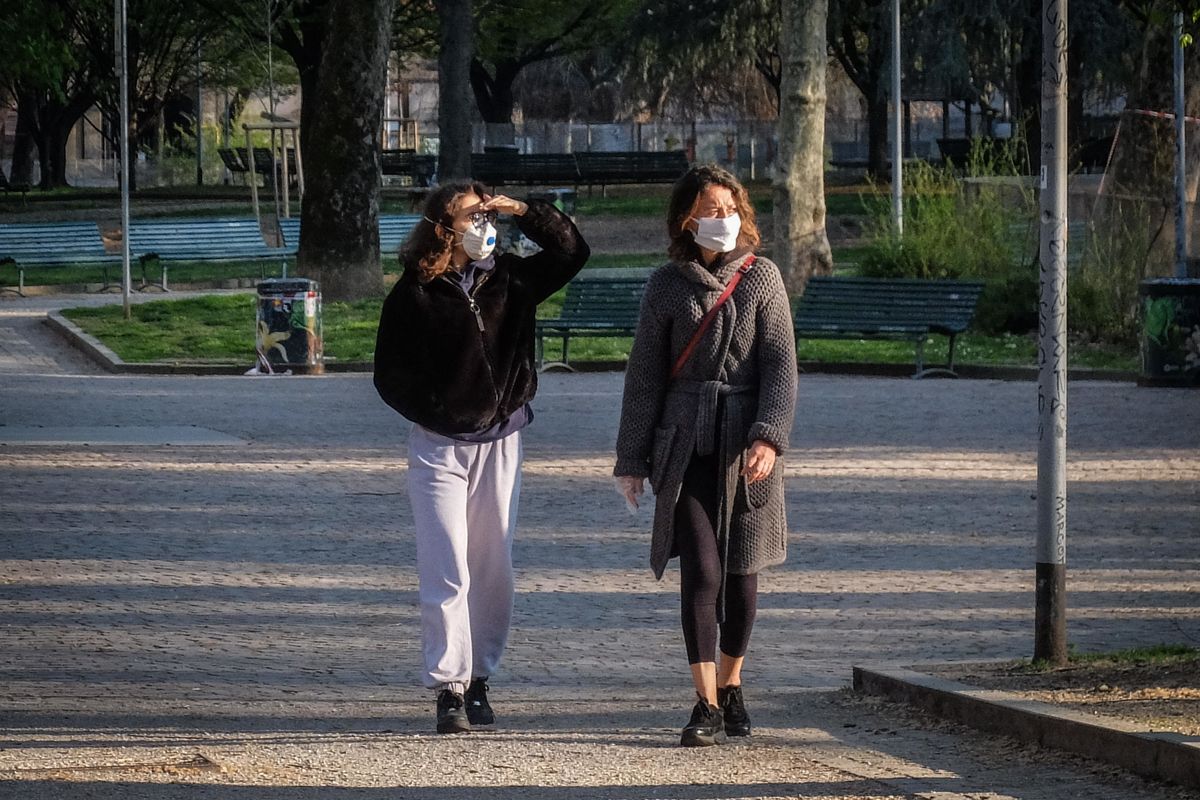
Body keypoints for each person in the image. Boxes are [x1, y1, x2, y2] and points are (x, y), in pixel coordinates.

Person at [374, 180, 589, 734]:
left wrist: (524, 209)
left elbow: (572, 252)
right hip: (439, 446)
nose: (483, 225)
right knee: (446, 565)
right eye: (472, 216)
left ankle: (481, 678)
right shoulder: (416, 292)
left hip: (501, 442)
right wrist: (442, 410)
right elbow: (389, 374)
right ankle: (449, 684)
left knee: (491, 567)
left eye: (488, 214)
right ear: (443, 228)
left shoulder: (512, 279)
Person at [613, 164, 797, 747]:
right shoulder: (666, 285)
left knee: (742, 576)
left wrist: (768, 436)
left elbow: (780, 366)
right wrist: (632, 459)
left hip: (746, 446)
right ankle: (705, 702)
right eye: (710, 209)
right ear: (686, 220)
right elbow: (644, 377)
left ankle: (733, 681)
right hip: (683, 441)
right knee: (703, 571)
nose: (722, 219)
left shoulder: (763, 278)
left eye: (729, 208)